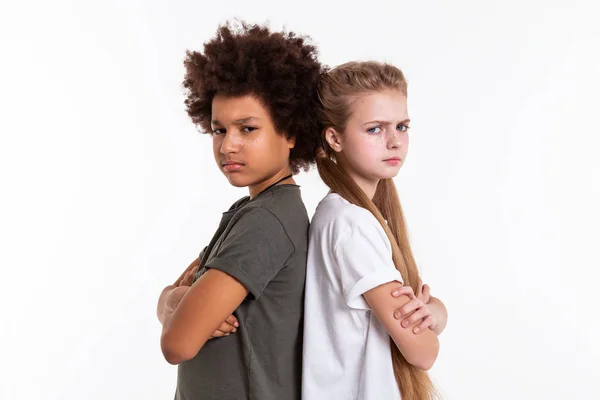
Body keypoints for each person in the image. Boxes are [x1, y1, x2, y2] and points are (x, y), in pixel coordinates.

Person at [156, 21, 325, 400]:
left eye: (247, 129)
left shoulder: (266, 221)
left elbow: (177, 343)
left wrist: (174, 304)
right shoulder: (249, 210)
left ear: (292, 131)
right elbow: (179, 299)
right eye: (219, 130)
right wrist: (173, 300)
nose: (228, 145)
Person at [302, 61, 448, 400]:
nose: (395, 141)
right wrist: (436, 320)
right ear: (334, 138)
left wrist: (436, 310)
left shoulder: (348, 215)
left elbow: (420, 325)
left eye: (402, 126)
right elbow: (423, 352)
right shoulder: (351, 225)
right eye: (375, 129)